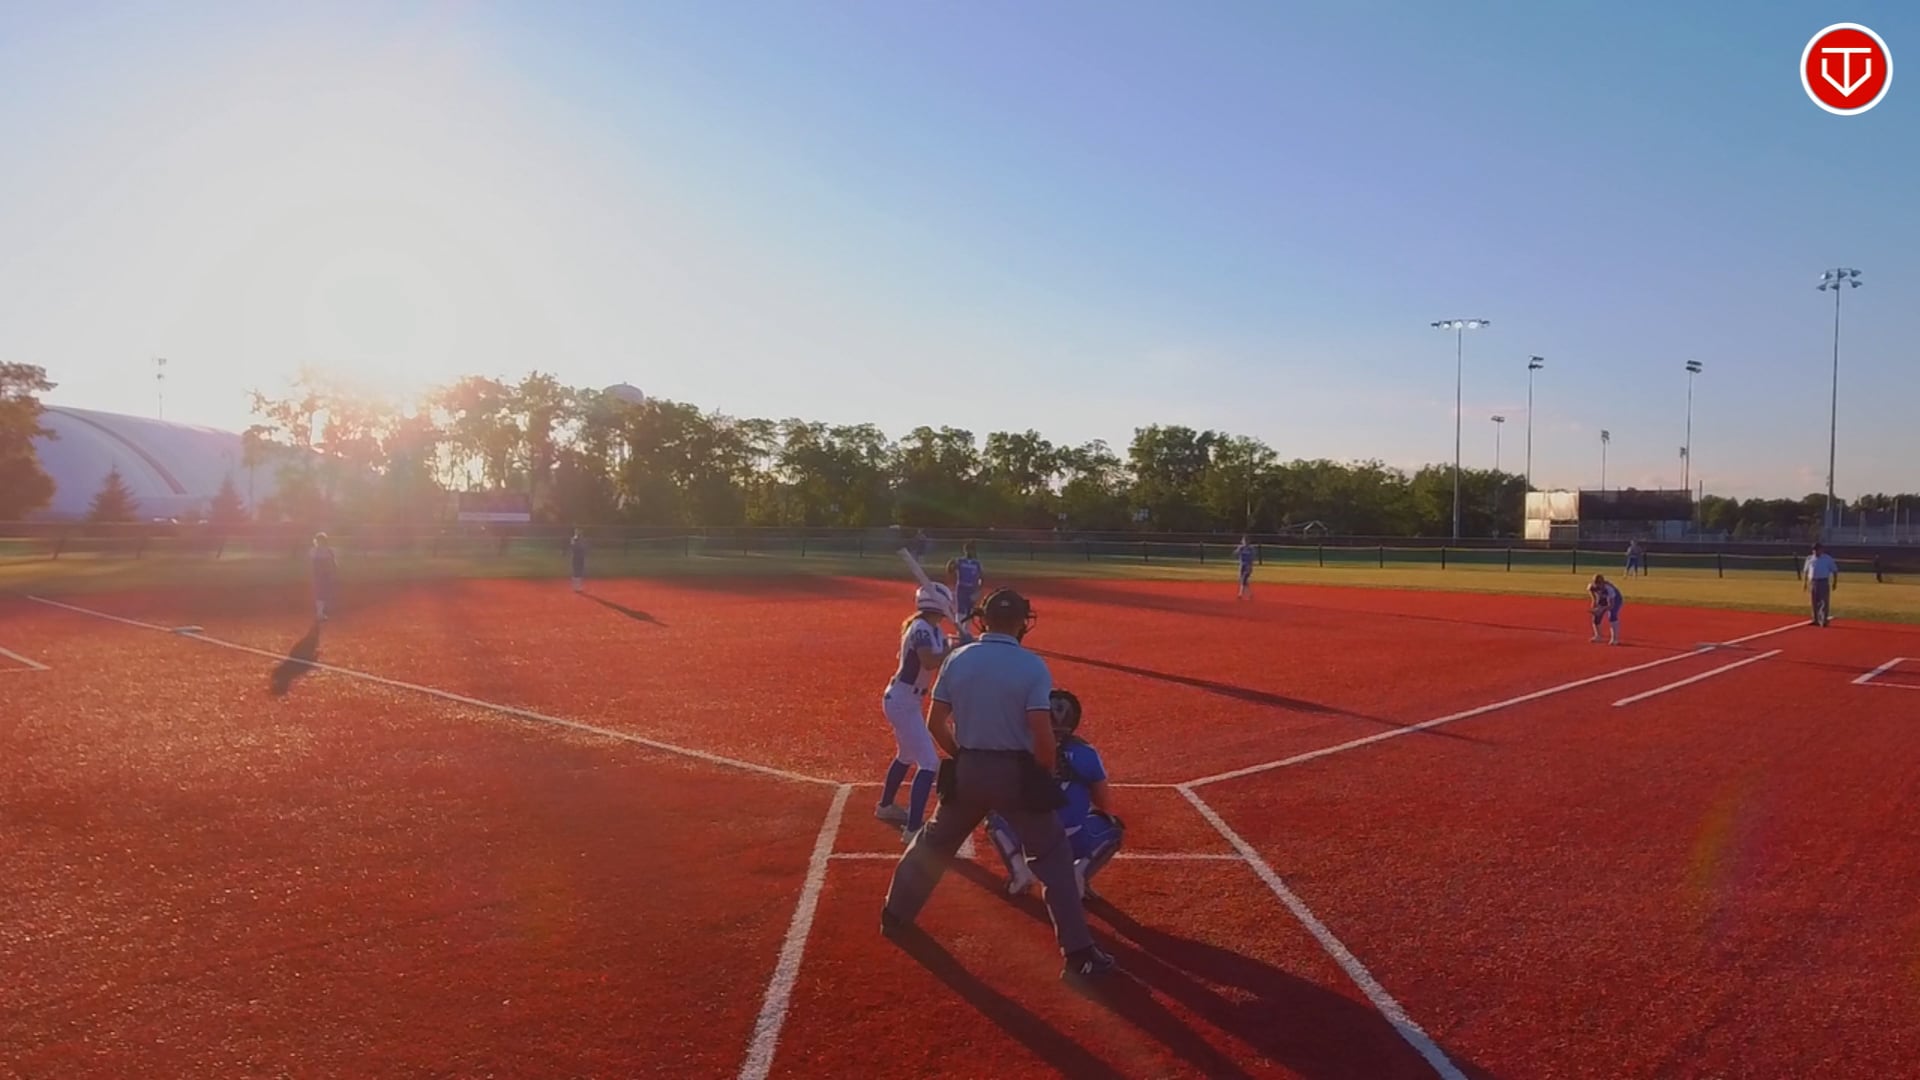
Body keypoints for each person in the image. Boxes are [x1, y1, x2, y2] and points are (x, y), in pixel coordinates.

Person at [881, 588, 1117, 984]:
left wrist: (963, 756)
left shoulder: (957, 659)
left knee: (932, 843)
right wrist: (1043, 773)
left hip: (970, 769)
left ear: (983, 619)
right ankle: (1078, 953)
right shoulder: (1031, 666)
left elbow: (936, 723)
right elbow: (1042, 733)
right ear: (1023, 623)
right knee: (1054, 858)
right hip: (1017, 773)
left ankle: (894, 914)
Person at [985, 688, 1125, 902]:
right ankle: (1080, 874)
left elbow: (1001, 791)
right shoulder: (1086, 752)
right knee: (1113, 828)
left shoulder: (1020, 748)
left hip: (1030, 838)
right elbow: (1103, 803)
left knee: (994, 816)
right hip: (1072, 841)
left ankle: (1019, 870)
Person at [875, 582, 956, 840]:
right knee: (929, 763)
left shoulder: (934, 629)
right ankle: (912, 830)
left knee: (906, 755)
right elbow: (930, 661)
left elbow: (943, 654)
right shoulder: (921, 627)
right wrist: (952, 649)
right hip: (902, 701)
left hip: (906, 700)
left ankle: (885, 806)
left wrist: (963, 645)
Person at [950, 541, 985, 644]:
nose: (969, 552)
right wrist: (951, 564)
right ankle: (960, 631)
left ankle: (966, 631)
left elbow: (982, 577)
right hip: (962, 588)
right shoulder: (960, 561)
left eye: (971, 549)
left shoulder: (977, 563)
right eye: (967, 549)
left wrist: (979, 590)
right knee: (961, 610)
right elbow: (951, 570)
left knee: (970, 611)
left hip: (972, 589)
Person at [1804, 543, 1840, 627]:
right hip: (1813, 581)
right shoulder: (1810, 558)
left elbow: (1834, 570)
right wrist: (1805, 583)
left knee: (1824, 601)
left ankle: (1824, 620)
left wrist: (1834, 582)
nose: (1816, 551)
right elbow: (1806, 571)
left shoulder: (1827, 558)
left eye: (1817, 549)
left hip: (1823, 581)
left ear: (1821, 550)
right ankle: (1815, 619)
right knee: (1814, 602)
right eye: (1814, 550)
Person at [1588, 573, 1623, 645]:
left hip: (1615, 599)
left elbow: (1611, 605)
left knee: (1612, 616)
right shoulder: (1591, 587)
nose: (1598, 586)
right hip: (1603, 598)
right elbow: (1594, 598)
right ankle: (1598, 636)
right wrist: (1595, 608)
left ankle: (1614, 639)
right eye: (1596, 583)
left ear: (1603, 583)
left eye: (1599, 583)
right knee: (1596, 616)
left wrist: (1601, 609)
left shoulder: (1609, 589)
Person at [311, 532, 338, 622]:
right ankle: (320, 613)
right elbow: (333, 563)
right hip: (324, 574)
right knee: (323, 593)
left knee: (321, 593)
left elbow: (314, 564)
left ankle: (321, 612)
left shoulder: (316, 551)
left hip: (322, 574)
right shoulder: (328, 550)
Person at [1236, 535, 1255, 599]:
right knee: (1243, 580)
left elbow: (1252, 558)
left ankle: (1240, 594)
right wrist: (1238, 550)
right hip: (1242, 565)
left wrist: (1250, 566)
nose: (1245, 542)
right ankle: (1250, 594)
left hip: (1248, 566)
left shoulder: (1251, 549)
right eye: (1244, 540)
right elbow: (1236, 553)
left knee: (1244, 579)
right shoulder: (1241, 548)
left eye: (1246, 540)